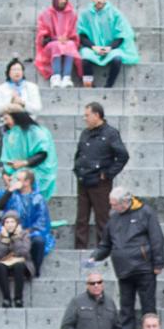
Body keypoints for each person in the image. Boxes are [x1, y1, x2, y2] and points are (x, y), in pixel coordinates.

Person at [90, 187, 164, 329]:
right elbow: (106, 243)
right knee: (126, 307)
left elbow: (157, 238)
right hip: (123, 270)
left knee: (148, 305)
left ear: (125, 202)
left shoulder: (146, 212)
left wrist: (158, 263)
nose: (112, 207)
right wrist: (95, 256)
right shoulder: (114, 217)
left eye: (114, 204)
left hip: (144, 268)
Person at [71, 101, 129, 250]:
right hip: (83, 180)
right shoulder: (85, 133)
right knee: (81, 218)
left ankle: (103, 248)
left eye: (87, 115)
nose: (85, 118)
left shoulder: (110, 133)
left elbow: (122, 156)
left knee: (102, 217)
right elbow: (80, 153)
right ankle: (80, 248)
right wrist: (77, 169)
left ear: (97, 115)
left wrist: (108, 174)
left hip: (99, 182)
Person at [76, 0, 139, 87]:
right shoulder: (85, 14)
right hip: (93, 48)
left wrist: (110, 48)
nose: (99, 0)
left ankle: (109, 85)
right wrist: (94, 47)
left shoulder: (115, 13)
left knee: (117, 58)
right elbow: (81, 34)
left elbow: (121, 34)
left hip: (110, 48)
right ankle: (89, 84)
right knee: (85, 57)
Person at [35, 0, 82, 87]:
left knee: (71, 45)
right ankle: (55, 76)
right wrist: (56, 39)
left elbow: (74, 35)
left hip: (66, 42)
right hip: (50, 44)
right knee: (57, 45)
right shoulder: (46, 14)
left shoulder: (71, 14)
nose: (63, 1)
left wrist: (67, 39)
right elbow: (43, 38)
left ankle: (66, 77)